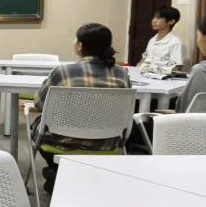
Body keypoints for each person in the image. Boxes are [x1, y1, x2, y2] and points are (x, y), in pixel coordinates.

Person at [30, 24, 131, 191]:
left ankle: (57, 174)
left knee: (37, 125)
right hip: (106, 144)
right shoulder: (122, 75)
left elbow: (39, 104)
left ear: (80, 46)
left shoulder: (63, 73)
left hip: (60, 144)